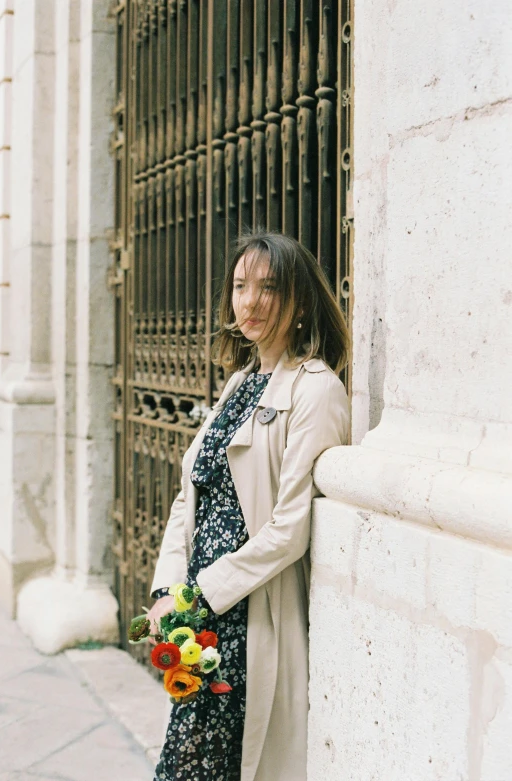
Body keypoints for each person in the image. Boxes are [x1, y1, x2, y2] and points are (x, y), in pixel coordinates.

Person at [148, 231, 350, 781]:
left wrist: (201, 595)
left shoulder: (316, 390)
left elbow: (290, 529)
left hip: (245, 616)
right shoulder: (239, 382)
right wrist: (169, 592)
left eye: (269, 287)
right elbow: (189, 497)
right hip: (200, 618)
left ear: (301, 301)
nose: (251, 301)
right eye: (240, 286)